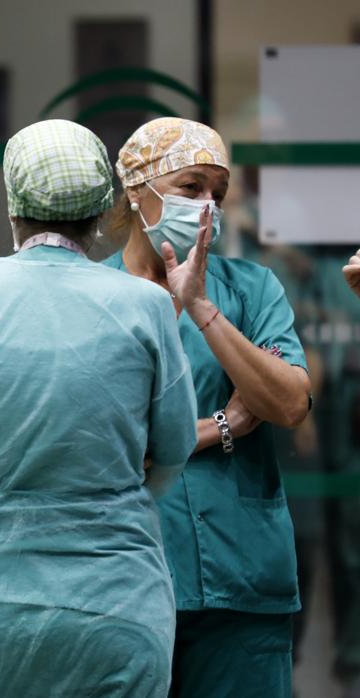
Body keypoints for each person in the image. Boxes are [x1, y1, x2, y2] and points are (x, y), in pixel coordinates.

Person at [0, 119, 199, 697]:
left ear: (12, 207)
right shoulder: (145, 305)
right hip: (110, 603)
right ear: (103, 210)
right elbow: (175, 447)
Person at [105, 117, 312, 697]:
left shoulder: (249, 289)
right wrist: (224, 424)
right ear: (136, 189)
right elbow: (98, 438)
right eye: (191, 187)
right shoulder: (91, 295)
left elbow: (289, 402)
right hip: (120, 577)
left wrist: (199, 306)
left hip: (240, 576)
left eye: (217, 195)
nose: (206, 207)